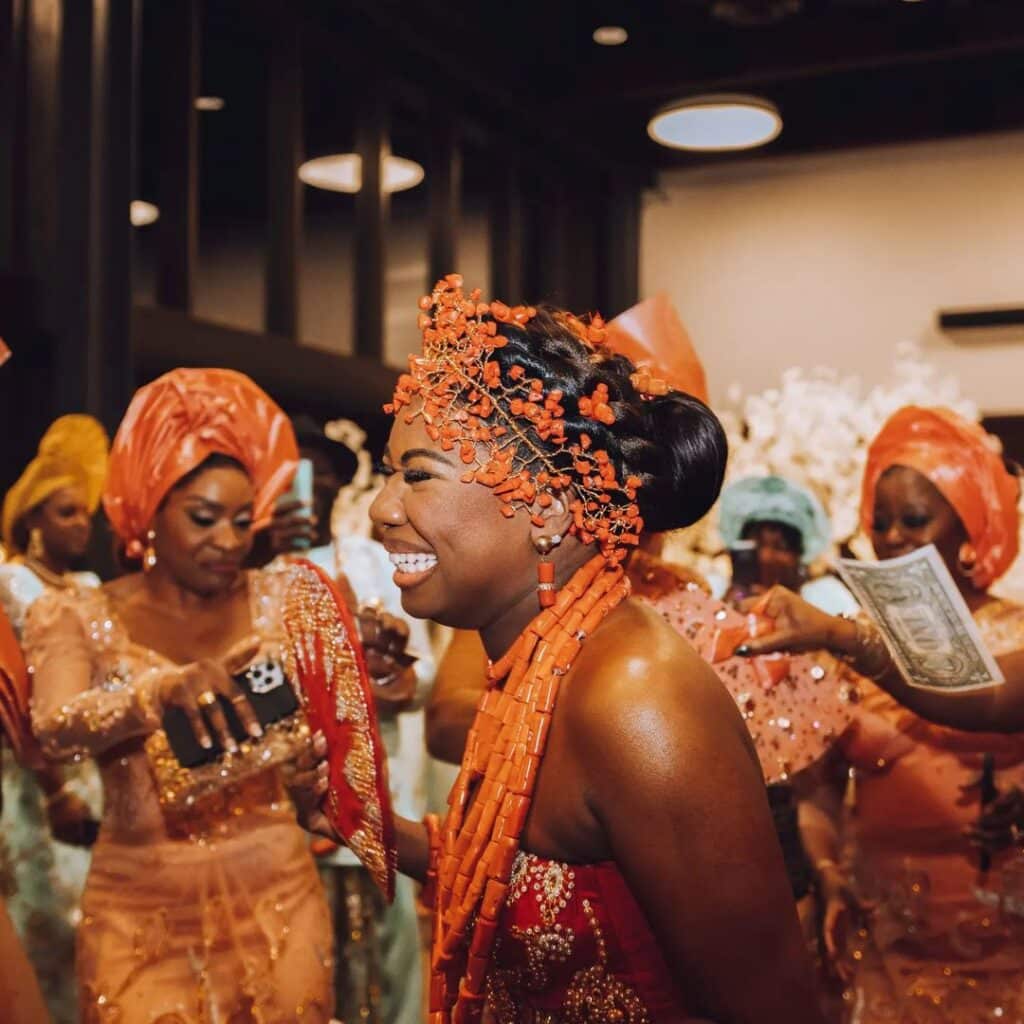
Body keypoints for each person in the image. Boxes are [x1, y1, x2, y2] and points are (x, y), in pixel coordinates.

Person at [293, 276, 824, 1023]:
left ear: (544, 507)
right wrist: (352, 811)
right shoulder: (537, 657)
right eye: (389, 473)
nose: (383, 508)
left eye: (419, 476)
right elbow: (508, 880)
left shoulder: (638, 701)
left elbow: (774, 1008)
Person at [24, 369, 339, 1024]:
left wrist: (370, 664)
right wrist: (156, 693)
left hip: (278, 889)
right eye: (203, 518)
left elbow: (336, 710)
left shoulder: (281, 595)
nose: (228, 541)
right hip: (139, 902)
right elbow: (52, 727)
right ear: (148, 509)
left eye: (243, 521)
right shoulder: (75, 613)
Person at [736, 406, 1024, 1022]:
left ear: (970, 525)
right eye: (881, 521)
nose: (892, 537)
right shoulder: (848, 648)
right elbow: (817, 789)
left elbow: (977, 698)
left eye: (914, 520)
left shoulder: (1016, 634)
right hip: (882, 934)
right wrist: (827, 870)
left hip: (1006, 938)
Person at [272, 417, 432, 1024]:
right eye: (295, 473)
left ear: (341, 483)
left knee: (381, 972)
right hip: (274, 812)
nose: (308, 490)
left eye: (321, 474)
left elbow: (426, 677)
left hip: (370, 793)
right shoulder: (248, 572)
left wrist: (383, 676)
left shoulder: (373, 561)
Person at [0, 414, 108, 1021]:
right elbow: (12, 693)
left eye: (85, 512)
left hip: (94, 774)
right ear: (32, 520)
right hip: (34, 781)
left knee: (90, 930)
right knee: (40, 923)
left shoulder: (91, 587)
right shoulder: (11, 585)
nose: (81, 524)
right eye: (65, 512)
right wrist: (54, 790)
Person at [717, 474, 858, 615]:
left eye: (780, 547)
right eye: (758, 544)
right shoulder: (717, 591)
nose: (766, 556)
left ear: (799, 555)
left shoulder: (827, 596)